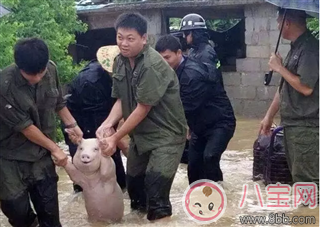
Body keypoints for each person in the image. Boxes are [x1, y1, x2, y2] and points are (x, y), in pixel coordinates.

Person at [95, 13, 187, 221]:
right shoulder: (120, 61)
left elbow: (142, 108)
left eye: (130, 38)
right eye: (120, 37)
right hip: (141, 136)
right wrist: (107, 124)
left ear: (144, 38)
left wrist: (115, 138)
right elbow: (121, 99)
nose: (123, 43)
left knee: (156, 196)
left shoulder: (152, 65)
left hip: (166, 137)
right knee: (135, 192)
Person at [0, 38, 83, 227]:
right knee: (17, 210)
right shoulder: (4, 85)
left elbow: (58, 102)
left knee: (50, 211)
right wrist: (55, 149)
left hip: (41, 154)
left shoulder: (51, 69)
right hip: (9, 155)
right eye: (30, 75)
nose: (37, 78)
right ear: (19, 66)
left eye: (41, 72)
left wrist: (72, 125)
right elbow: (25, 127)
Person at [155, 35, 236, 184]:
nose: (164, 63)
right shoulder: (171, 71)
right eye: (160, 59)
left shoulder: (191, 75)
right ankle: (197, 199)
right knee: (193, 168)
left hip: (221, 123)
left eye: (167, 57)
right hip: (199, 126)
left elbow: (183, 109)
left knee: (210, 157)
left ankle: (220, 194)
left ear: (179, 53)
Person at [259, 9, 319, 192]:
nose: (277, 26)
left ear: (287, 22)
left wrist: (279, 68)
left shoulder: (310, 49)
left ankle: (310, 217)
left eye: (278, 22)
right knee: (299, 179)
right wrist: (269, 117)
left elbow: (306, 87)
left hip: (306, 127)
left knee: (308, 182)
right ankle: (305, 216)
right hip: (293, 126)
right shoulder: (296, 47)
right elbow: (285, 87)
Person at [62, 59, 128, 193]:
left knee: (115, 176)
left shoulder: (113, 78)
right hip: (80, 125)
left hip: (99, 117)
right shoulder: (91, 82)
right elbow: (104, 129)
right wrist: (122, 144)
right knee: (88, 171)